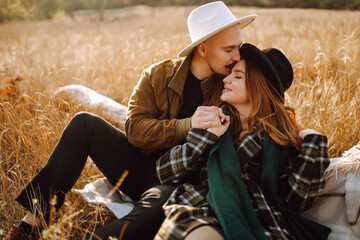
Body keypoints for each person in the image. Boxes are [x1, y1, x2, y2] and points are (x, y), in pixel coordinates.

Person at [3, 2, 256, 240]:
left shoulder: (229, 86)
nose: (237, 55)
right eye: (228, 49)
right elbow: (134, 130)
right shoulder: (158, 75)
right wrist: (187, 125)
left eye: (238, 46)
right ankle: (31, 225)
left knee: (155, 209)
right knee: (84, 124)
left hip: (176, 184)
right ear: (202, 48)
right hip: (137, 167)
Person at [154, 43, 332, 240]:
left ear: (259, 87)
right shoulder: (212, 118)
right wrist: (207, 137)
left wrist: (313, 143)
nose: (226, 79)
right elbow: (166, 173)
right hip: (204, 206)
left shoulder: (280, 137)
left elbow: (298, 201)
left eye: (237, 76)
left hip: (257, 216)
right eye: (230, 74)